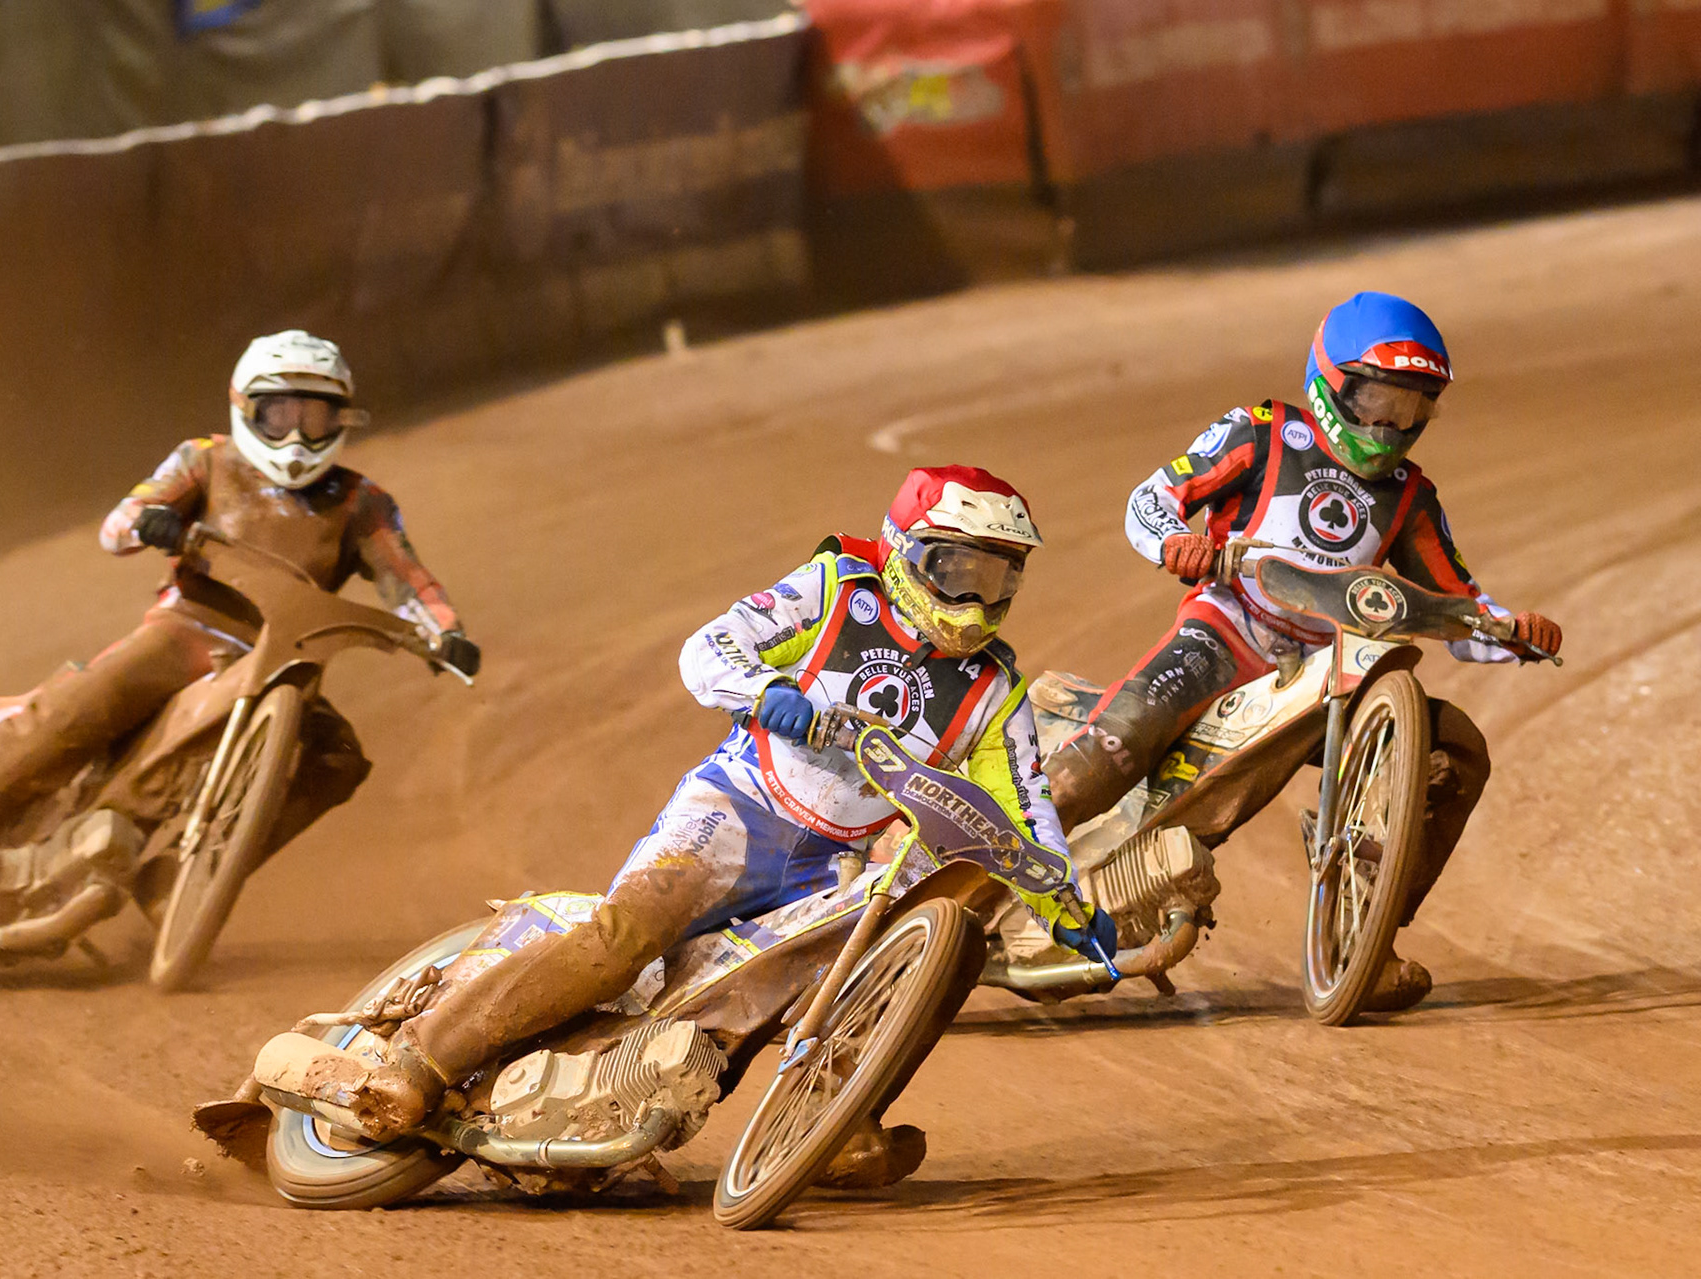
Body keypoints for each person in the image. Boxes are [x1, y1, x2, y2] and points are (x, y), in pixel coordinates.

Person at [322, 464, 1111, 1185]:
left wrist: (1066, 904)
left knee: (870, 970)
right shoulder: (839, 589)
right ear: (907, 552)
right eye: (958, 569)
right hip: (735, 809)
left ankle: (833, 1121)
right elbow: (710, 647)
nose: (975, 596)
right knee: (623, 942)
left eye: (999, 572)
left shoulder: (994, 687)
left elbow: (1025, 805)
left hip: (832, 865)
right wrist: (765, 690)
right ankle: (423, 1061)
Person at [0, 329, 478, 920]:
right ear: (246, 410)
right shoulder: (205, 458)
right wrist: (150, 520)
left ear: (342, 420)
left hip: (279, 661)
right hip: (183, 635)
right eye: (280, 414)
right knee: (59, 726)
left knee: (337, 758)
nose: (298, 434)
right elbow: (121, 522)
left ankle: (180, 880)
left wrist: (444, 633)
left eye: (316, 416)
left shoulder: (362, 502)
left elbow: (409, 580)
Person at [1042, 292, 1563, 1011]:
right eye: (1377, 398)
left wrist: (1514, 633)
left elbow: (1458, 603)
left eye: (1411, 409)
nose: (1389, 424)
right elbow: (1150, 497)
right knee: (1110, 752)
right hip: (1225, 634)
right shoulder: (1261, 432)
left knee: (1458, 749)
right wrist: (1175, 541)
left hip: (1330, 673)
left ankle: (1365, 935)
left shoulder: (1412, 496)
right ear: (1331, 381)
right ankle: (956, 867)